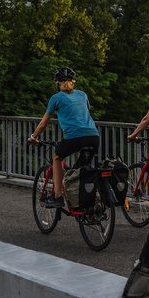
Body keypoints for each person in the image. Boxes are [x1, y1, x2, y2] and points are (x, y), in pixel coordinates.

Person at [28, 67, 100, 208]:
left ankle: (58, 197)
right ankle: (86, 205)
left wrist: (33, 137)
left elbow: (43, 124)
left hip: (75, 137)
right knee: (79, 172)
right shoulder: (83, 95)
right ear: (73, 82)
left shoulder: (56, 98)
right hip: (94, 137)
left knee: (57, 157)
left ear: (57, 83)